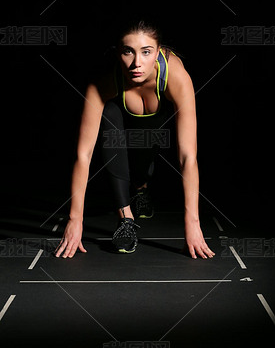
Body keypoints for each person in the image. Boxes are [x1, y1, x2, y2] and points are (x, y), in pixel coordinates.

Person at [55, 19, 215, 259]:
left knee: (143, 165)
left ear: (158, 52)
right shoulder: (104, 81)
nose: (137, 63)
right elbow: (83, 154)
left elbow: (187, 156)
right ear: (118, 52)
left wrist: (192, 222)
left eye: (146, 52)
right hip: (119, 111)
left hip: (155, 120)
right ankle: (126, 219)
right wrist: (75, 219)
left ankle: (141, 189)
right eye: (128, 52)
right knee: (109, 116)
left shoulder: (176, 77)